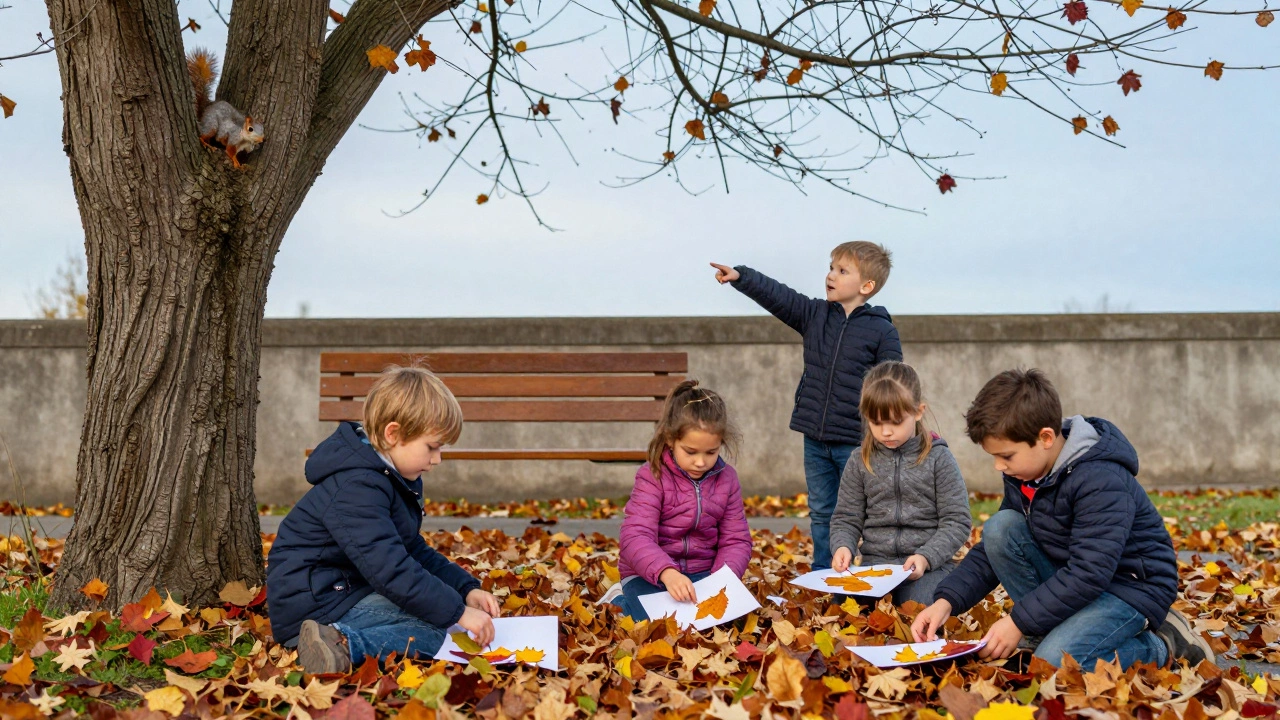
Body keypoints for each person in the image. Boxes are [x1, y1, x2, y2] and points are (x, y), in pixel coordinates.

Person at [911, 368, 1213, 671]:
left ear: (1044, 437)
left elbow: (1090, 572)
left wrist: (1017, 622)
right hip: (1075, 578)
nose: (998, 466)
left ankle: (1163, 645)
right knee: (1001, 527)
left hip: (1130, 588)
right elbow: (993, 550)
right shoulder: (1026, 473)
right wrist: (946, 601)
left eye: (1006, 456)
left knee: (1054, 663)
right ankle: (1049, 632)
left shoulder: (1100, 478)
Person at [267, 366, 501, 673]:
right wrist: (457, 612)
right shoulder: (357, 487)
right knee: (432, 633)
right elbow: (390, 569)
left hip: (346, 590)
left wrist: (464, 590)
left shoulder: (388, 477)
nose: (437, 460)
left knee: (436, 618)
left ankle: (337, 640)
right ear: (393, 434)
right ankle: (339, 644)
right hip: (316, 604)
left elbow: (413, 552)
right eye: (432, 447)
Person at [711, 241, 901, 569]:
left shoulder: (881, 331)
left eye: (842, 271)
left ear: (866, 286)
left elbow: (894, 385)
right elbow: (779, 296)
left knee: (864, 511)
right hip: (814, 438)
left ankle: (873, 574)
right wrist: (742, 277)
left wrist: (887, 428)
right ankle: (825, 574)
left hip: (857, 443)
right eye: (831, 267)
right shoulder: (814, 315)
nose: (831, 275)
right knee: (823, 510)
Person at [828, 361, 971, 606]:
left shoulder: (939, 458)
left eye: (895, 422)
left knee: (920, 607)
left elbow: (957, 521)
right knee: (844, 609)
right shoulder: (859, 461)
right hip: (875, 569)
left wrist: (926, 557)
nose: (885, 432)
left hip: (928, 568)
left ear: (918, 411)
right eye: (876, 423)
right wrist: (843, 546)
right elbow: (846, 518)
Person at [612, 380, 752, 620]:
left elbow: (736, 540)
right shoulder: (652, 475)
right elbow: (635, 536)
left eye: (711, 452)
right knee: (659, 622)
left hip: (703, 574)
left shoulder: (727, 479)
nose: (700, 462)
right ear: (670, 440)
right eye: (690, 452)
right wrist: (667, 572)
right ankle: (620, 602)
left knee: (733, 620)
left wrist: (721, 580)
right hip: (650, 575)